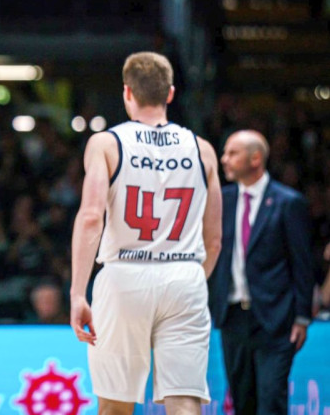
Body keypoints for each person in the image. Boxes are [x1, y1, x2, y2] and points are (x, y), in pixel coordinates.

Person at [70, 52, 222, 414]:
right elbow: (214, 238)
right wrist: (189, 278)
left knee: (115, 404)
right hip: (185, 274)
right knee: (185, 401)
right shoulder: (203, 150)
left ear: (127, 93)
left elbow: (91, 217)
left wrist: (78, 292)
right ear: (170, 93)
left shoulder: (107, 143)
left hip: (124, 276)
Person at [208, 130, 314, 414]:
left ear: (255, 158)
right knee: (243, 403)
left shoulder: (287, 202)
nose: (224, 159)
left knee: (271, 402)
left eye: (232, 153)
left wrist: (302, 316)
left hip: (275, 319)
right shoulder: (222, 201)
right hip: (232, 318)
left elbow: (302, 264)